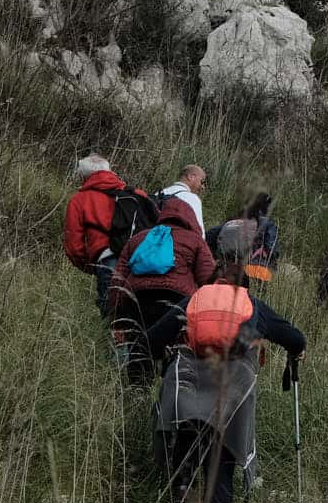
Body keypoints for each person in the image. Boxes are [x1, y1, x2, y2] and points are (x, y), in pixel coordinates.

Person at [156, 251, 305, 503]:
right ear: (246, 286)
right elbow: (295, 338)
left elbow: (154, 335)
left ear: (214, 283)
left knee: (185, 445)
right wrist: (297, 352)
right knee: (221, 458)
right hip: (230, 391)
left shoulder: (195, 300)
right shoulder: (254, 307)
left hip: (188, 387)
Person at [109, 196, 215, 382]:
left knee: (139, 349)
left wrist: (116, 316)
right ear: (191, 218)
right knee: (174, 349)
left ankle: (137, 394)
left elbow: (117, 280)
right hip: (177, 302)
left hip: (136, 300)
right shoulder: (196, 241)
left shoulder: (140, 237)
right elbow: (209, 281)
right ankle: (168, 393)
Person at [62, 155, 154, 319]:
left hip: (108, 260)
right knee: (143, 316)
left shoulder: (79, 200)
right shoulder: (137, 194)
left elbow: (73, 245)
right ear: (109, 170)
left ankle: (115, 344)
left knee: (113, 317)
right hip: (144, 261)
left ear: (84, 176)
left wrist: (91, 266)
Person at [156, 164, 207, 231]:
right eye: (202, 182)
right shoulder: (192, 198)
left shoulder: (159, 193)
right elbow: (199, 233)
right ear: (191, 177)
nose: (203, 187)